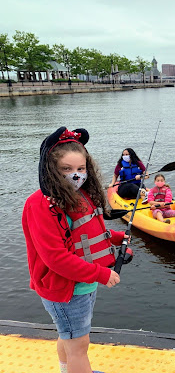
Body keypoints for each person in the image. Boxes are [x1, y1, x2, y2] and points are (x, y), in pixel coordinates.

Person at [22, 127, 131, 373]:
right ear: (50, 169)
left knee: (68, 337)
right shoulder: (40, 205)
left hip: (83, 286)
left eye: (81, 169)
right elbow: (56, 258)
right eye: (66, 169)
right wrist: (101, 274)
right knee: (78, 345)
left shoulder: (79, 195)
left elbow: (85, 232)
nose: (76, 175)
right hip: (65, 290)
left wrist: (115, 238)